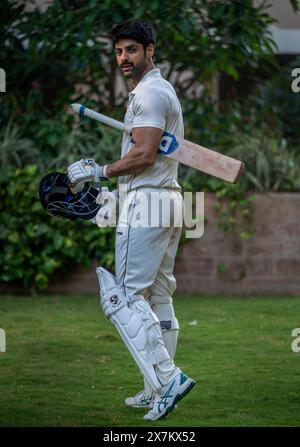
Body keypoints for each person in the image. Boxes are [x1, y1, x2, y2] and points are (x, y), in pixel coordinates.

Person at [67, 19, 195, 421]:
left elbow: (144, 155)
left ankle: (169, 378)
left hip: (148, 203)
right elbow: (149, 151)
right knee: (159, 296)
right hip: (168, 201)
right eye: (120, 51)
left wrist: (98, 170)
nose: (124, 58)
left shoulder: (152, 94)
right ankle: (153, 387)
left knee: (122, 297)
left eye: (132, 50)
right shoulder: (157, 91)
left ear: (150, 50)